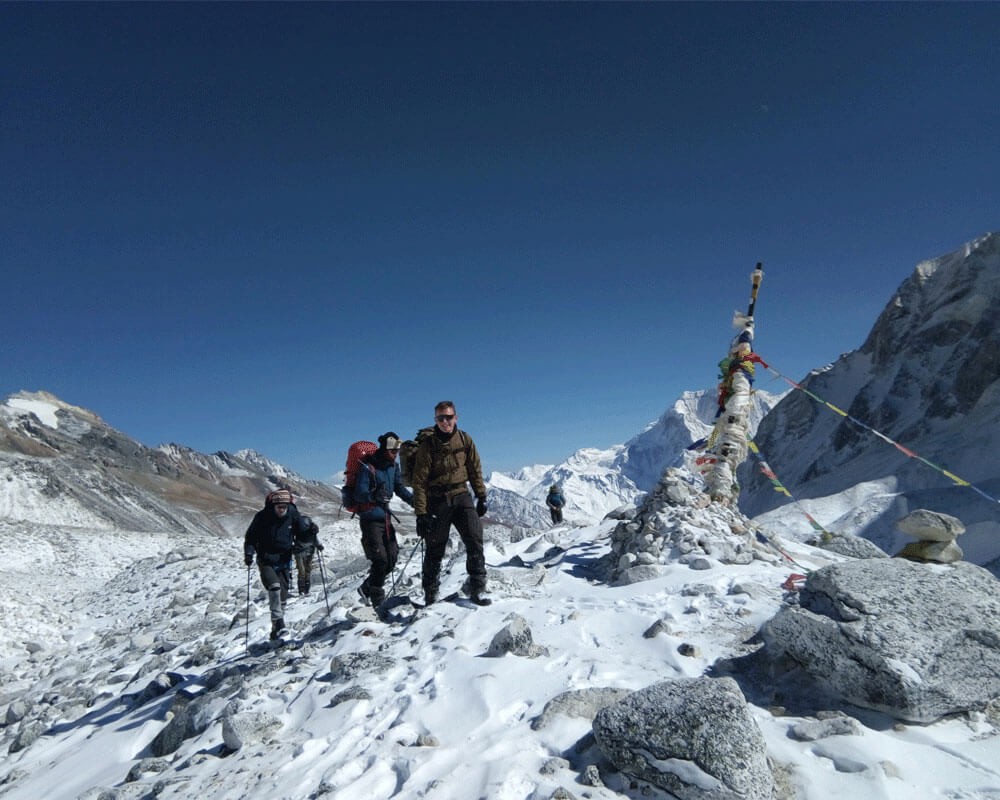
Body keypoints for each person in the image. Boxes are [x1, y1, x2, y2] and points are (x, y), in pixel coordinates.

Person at [411, 401, 491, 606]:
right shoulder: (428, 446)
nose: (445, 422)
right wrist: (421, 514)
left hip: (461, 494)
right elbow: (419, 482)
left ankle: (478, 587)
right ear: (435, 420)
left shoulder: (465, 439)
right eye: (440, 418)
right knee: (435, 548)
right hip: (437, 500)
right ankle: (431, 594)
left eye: (448, 417)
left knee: (474, 538)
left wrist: (481, 496)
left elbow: (474, 469)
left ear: (456, 417)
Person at [243, 488, 318, 640]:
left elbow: (302, 532)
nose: (282, 509)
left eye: (284, 506)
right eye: (279, 507)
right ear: (273, 506)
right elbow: (251, 537)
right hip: (266, 560)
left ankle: (275, 630)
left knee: (282, 598)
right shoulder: (262, 517)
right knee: (274, 587)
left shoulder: (292, 514)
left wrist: (311, 530)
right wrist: (249, 553)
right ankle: (280, 624)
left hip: (284, 560)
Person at [355, 432, 414, 607]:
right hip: (370, 519)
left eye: (397, 451)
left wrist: (414, 502)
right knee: (380, 560)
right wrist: (374, 495)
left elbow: (398, 487)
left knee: (392, 558)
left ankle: (367, 588)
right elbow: (359, 493)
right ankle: (377, 600)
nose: (395, 454)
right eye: (392, 450)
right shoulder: (368, 467)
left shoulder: (393, 467)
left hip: (385, 518)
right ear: (384, 448)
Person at [293, 514, 323, 595]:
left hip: (299, 550)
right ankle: (306, 589)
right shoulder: (312, 529)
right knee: (307, 570)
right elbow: (315, 539)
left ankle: (302, 590)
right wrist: (319, 546)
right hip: (309, 549)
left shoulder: (298, 528)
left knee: (302, 570)